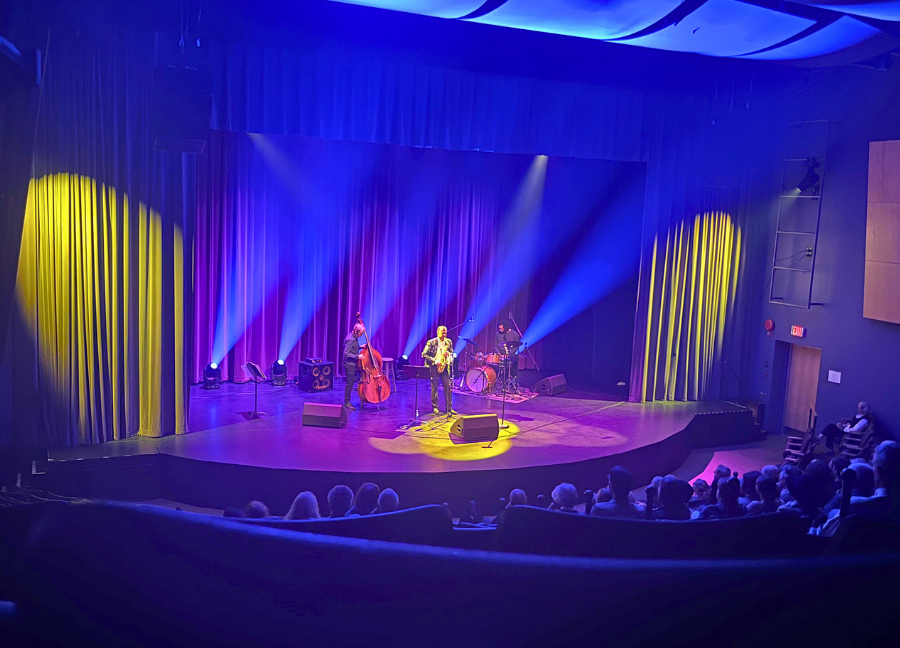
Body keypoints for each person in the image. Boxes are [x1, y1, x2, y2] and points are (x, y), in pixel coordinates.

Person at [422, 325, 455, 415]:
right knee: (435, 387)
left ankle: (449, 408)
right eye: (442, 333)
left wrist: (449, 356)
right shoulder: (431, 342)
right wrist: (435, 361)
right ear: (438, 332)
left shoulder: (448, 342)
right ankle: (435, 407)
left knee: (448, 387)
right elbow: (424, 354)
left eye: (445, 333)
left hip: (444, 367)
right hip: (434, 367)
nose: (444, 335)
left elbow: (451, 352)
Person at [342, 322, 366, 410]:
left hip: (352, 363)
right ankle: (347, 402)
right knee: (350, 383)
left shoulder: (353, 337)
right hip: (349, 364)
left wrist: (359, 347)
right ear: (356, 331)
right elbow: (346, 354)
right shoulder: (351, 339)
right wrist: (358, 356)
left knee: (351, 383)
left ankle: (347, 401)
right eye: (361, 333)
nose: (361, 335)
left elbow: (352, 348)